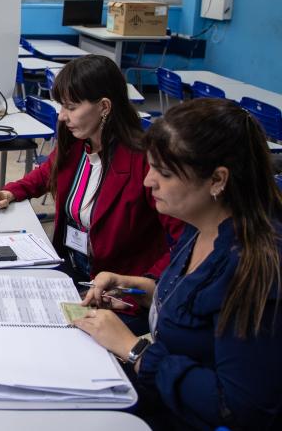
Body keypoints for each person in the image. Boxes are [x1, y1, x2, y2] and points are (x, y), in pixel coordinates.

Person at [74, 98, 282, 430]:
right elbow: (197, 302)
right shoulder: (200, 225)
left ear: (217, 180)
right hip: (157, 396)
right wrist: (135, 286)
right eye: (151, 167)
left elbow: (238, 407)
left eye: (165, 173)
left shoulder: (254, 267)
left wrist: (134, 350)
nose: (148, 181)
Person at [0, 55, 181, 283]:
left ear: (104, 107)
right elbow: (46, 173)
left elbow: (186, 243)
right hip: (71, 266)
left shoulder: (144, 164)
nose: (62, 116)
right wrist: (11, 192)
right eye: (62, 106)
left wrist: (145, 285)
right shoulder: (77, 144)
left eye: (71, 107)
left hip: (116, 288)